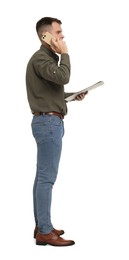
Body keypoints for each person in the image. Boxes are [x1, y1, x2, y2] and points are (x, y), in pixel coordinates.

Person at [26, 17, 87, 247]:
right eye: (59, 33)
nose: (62, 37)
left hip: (48, 122)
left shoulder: (45, 59)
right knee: (46, 179)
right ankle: (44, 231)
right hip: (48, 125)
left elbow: (50, 92)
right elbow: (64, 76)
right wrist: (66, 54)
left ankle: (42, 225)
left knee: (42, 177)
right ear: (46, 36)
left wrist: (70, 96)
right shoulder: (42, 58)